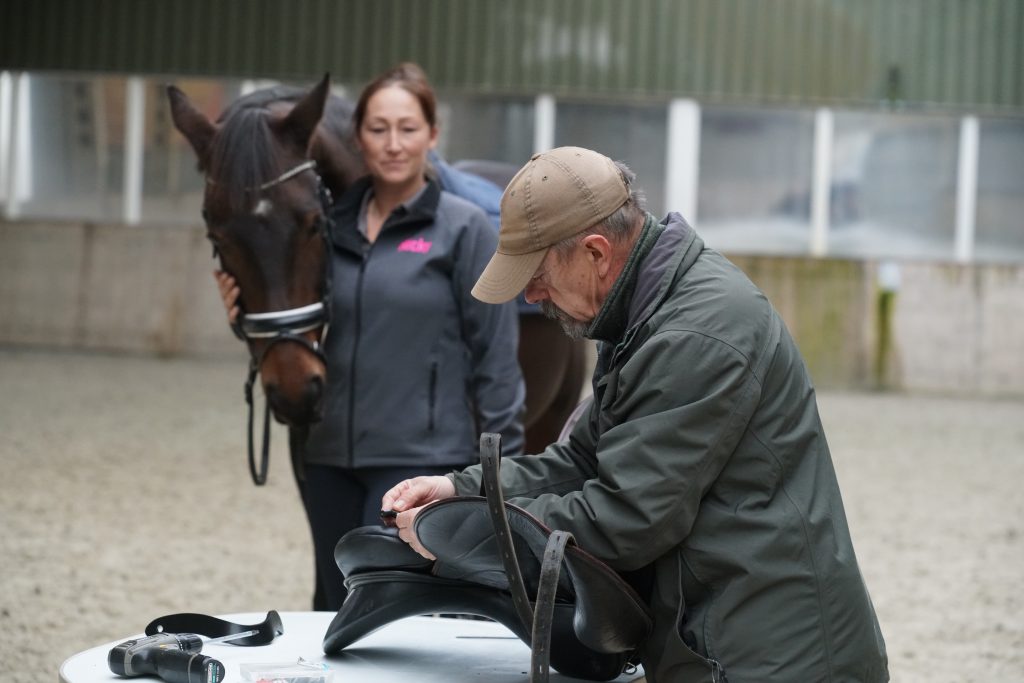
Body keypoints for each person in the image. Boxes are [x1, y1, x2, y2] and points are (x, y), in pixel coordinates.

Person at [382, 147, 889, 681]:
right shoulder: (642, 310)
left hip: (772, 656)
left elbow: (624, 518)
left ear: (596, 254)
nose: (530, 296)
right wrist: (462, 489)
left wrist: (458, 531)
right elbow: (583, 458)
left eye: (537, 274)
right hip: (727, 636)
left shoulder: (694, 334)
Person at [216, 63, 525, 612]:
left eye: (408, 128)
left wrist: (501, 477)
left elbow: (495, 362)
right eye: (378, 129)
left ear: (433, 135)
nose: (393, 144)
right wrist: (242, 313)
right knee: (330, 610)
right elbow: (294, 317)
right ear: (358, 138)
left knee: (390, 614)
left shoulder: (465, 229)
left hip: (419, 458)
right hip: (329, 458)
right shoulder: (326, 227)